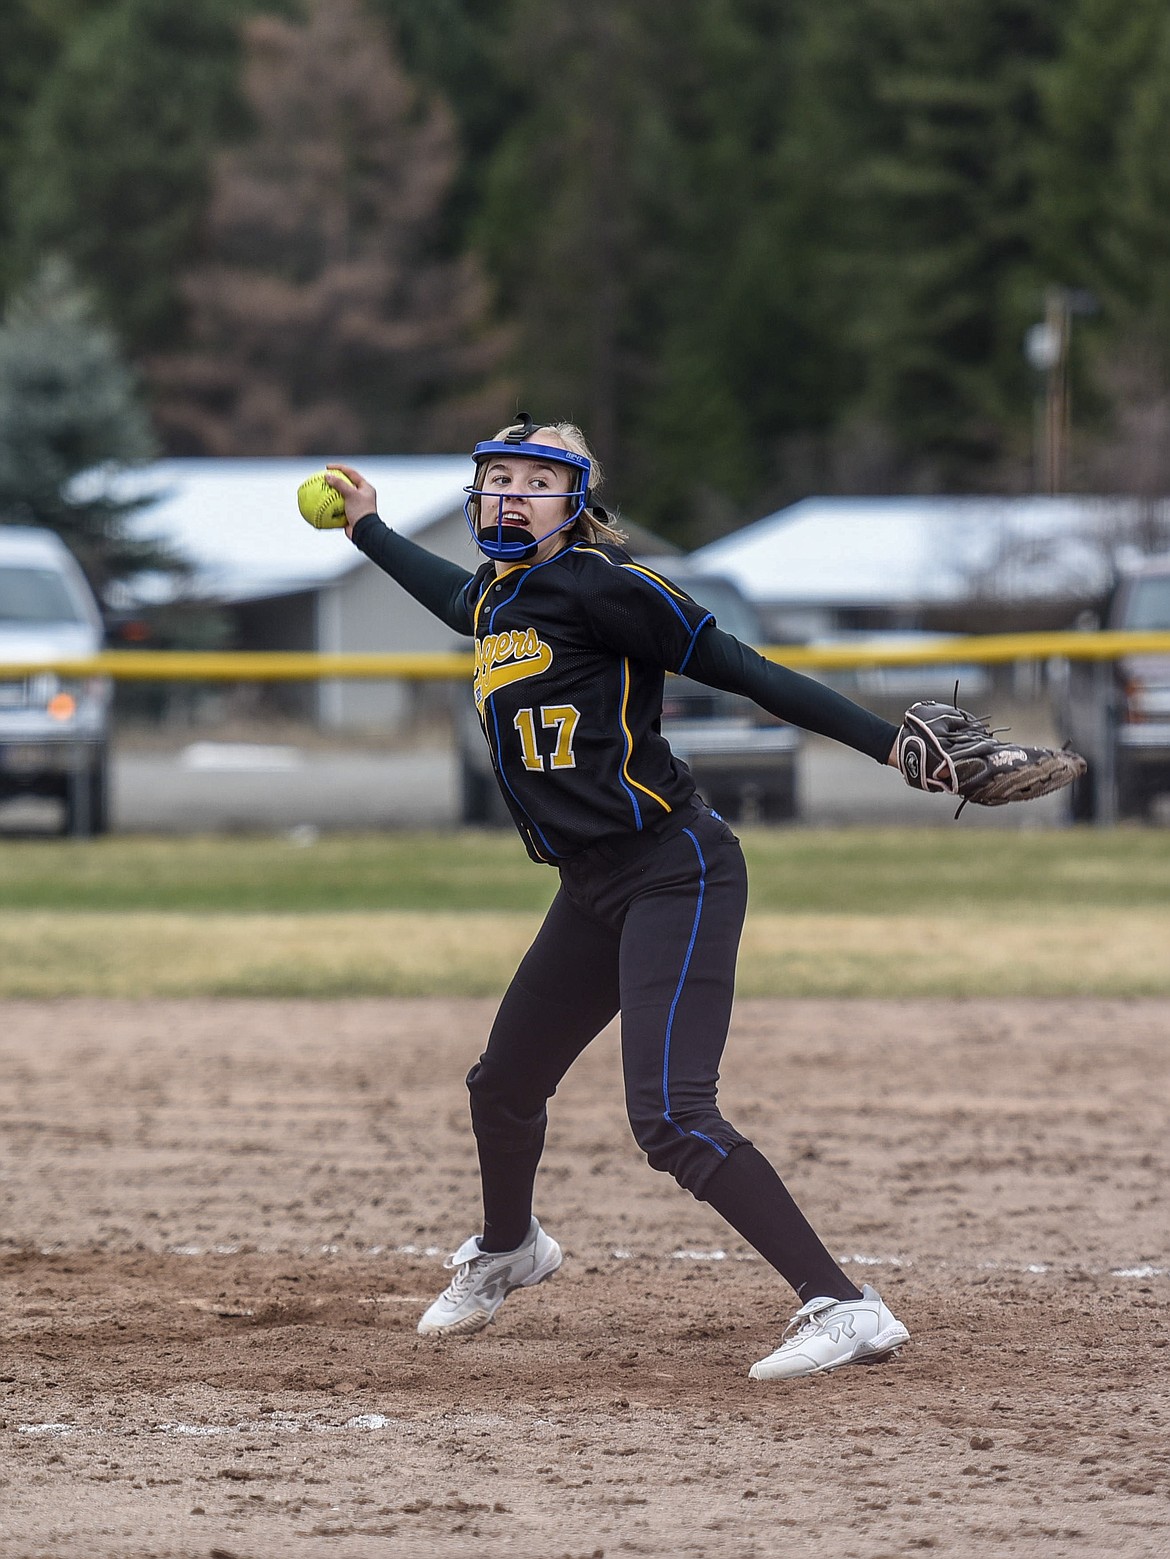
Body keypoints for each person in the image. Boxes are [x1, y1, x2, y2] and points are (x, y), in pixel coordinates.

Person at [324, 414, 911, 1382]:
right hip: (592, 885)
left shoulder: (605, 583)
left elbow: (746, 671)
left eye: (535, 479)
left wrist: (887, 745)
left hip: (673, 867)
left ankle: (846, 1306)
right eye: (497, 477)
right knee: (503, 1084)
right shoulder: (497, 599)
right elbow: (452, 598)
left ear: (576, 501)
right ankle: (510, 1247)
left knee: (673, 1115)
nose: (510, 494)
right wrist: (368, 530)